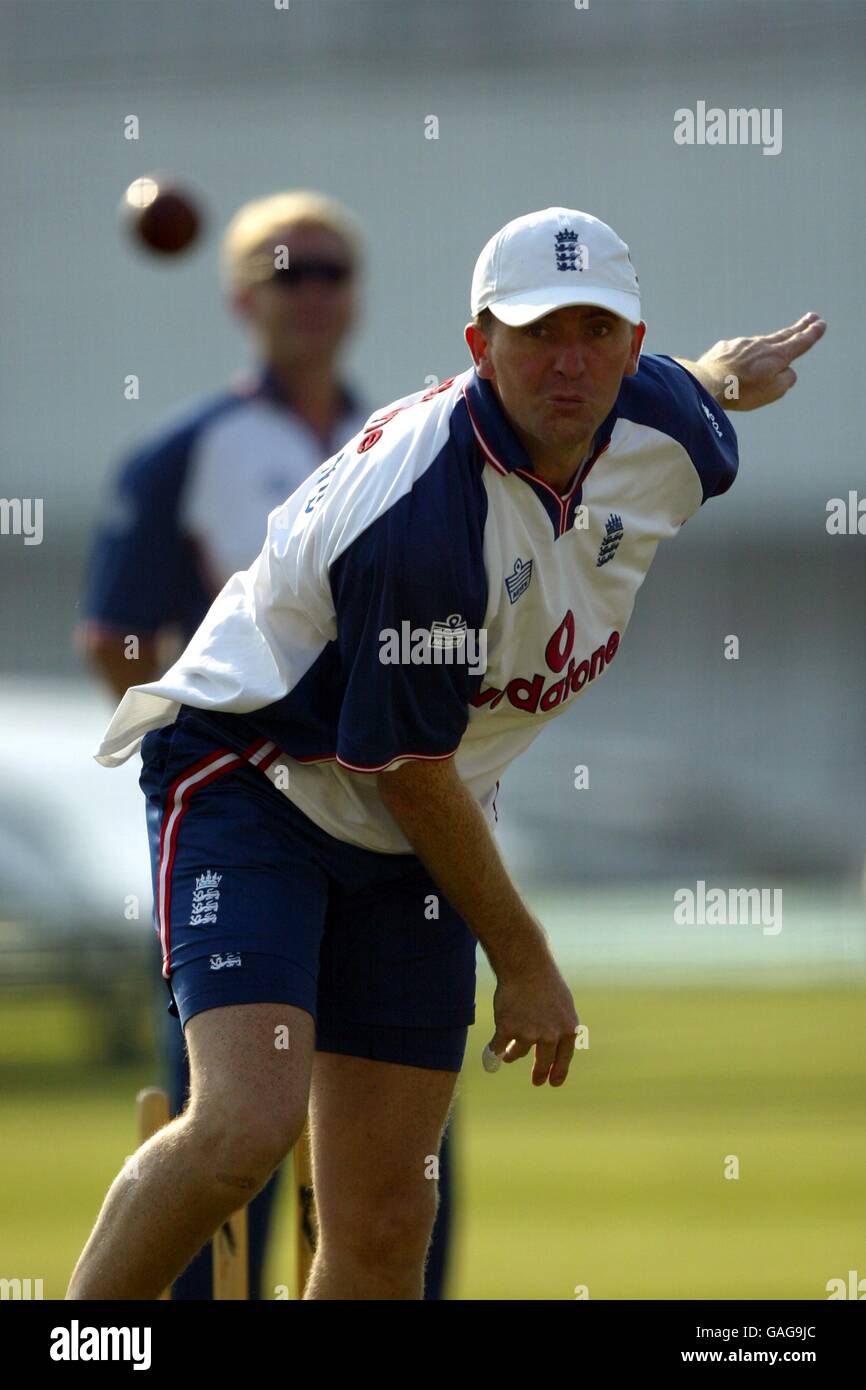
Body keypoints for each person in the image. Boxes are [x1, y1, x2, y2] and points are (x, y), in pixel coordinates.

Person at [67, 206, 825, 1301]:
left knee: (385, 1216)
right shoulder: (423, 522)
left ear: (631, 339)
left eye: (595, 332)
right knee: (246, 1124)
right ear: (478, 344)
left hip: (415, 816)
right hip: (257, 776)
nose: (568, 364)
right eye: (532, 333)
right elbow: (405, 771)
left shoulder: (673, 427)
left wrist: (724, 372)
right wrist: (523, 960)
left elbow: (690, 384)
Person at [76, 191, 455, 1300]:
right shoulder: (187, 449)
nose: (313, 292)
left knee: (394, 1181)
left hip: (391, 827)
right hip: (241, 829)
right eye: (288, 272)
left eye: (332, 270)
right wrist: (223, 749)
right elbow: (119, 638)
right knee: (230, 1129)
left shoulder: (405, 438)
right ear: (243, 297)